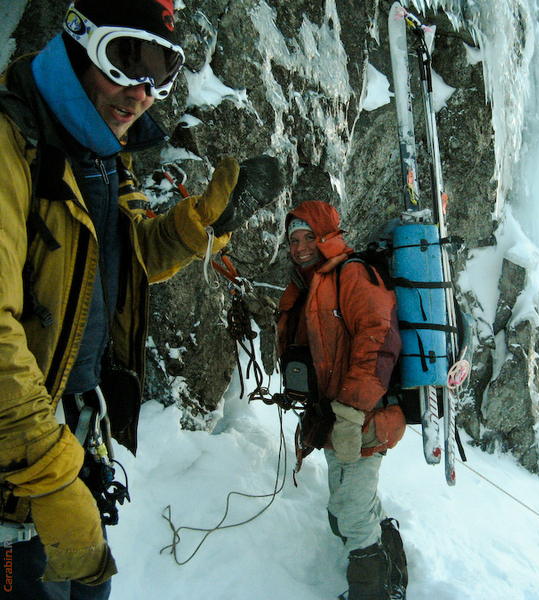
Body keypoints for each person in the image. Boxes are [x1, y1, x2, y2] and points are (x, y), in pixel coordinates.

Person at [0, 1, 243, 598]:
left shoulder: (102, 155)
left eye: (163, 74)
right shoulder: (14, 143)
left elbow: (121, 261)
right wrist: (50, 479)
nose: (142, 93)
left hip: (71, 434)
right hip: (21, 460)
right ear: (80, 42)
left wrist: (195, 226)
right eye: (127, 59)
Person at [276, 200, 409, 600]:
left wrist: (352, 411)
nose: (299, 247)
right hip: (337, 420)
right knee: (349, 507)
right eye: (293, 240)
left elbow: (378, 339)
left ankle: (372, 593)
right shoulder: (310, 284)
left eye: (307, 237)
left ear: (326, 237)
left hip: (365, 417)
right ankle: (394, 577)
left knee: (350, 511)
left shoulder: (350, 274)